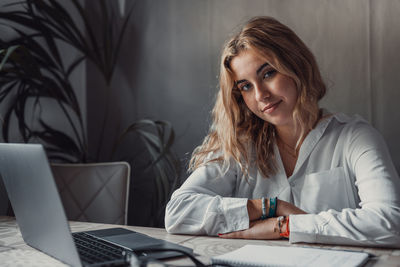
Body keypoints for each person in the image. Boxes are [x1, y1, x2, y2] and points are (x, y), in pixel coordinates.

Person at [164, 16, 400, 247]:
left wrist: (286, 226)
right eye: (246, 86)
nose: (260, 95)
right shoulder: (241, 147)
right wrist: (269, 207)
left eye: (268, 74)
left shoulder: (355, 138)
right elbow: (178, 212)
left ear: (296, 64)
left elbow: (390, 222)